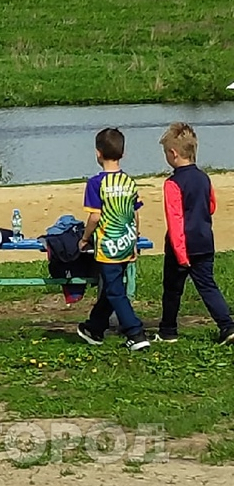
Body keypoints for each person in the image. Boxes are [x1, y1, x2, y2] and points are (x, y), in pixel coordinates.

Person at [156, 123, 233, 344]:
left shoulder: (172, 183)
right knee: (208, 286)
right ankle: (227, 326)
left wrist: (180, 254)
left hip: (181, 245)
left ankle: (168, 330)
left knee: (172, 290)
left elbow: (175, 220)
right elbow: (211, 206)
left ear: (173, 153)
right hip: (204, 240)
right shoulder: (204, 178)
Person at [76, 128, 150, 351]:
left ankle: (135, 332)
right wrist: (135, 238)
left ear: (98, 153)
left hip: (108, 244)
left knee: (116, 290)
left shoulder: (96, 183)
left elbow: (95, 216)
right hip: (127, 240)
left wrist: (85, 237)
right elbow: (135, 212)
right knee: (112, 286)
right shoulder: (129, 182)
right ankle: (94, 327)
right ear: (123, 153)